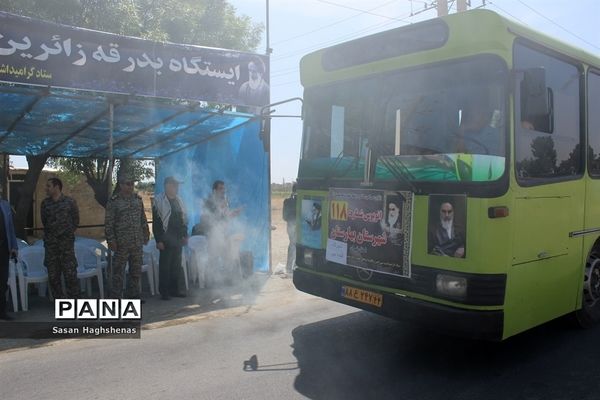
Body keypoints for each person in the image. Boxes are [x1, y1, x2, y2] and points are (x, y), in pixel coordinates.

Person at [105, 173, 150, 300]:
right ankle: (116, 298)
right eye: (128, 184)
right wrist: (111, 241)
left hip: (136, 242)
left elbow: (143, 219)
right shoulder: (114, 201)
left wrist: (146, 234)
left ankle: (133, 296)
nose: (131, 187)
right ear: (121, 185)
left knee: (135, 272)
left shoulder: (137, 200)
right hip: (121, 244)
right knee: (118, 273)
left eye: (132, 184)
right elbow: (109, 223)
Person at [41, 177, 80, 299]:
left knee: (70, 275)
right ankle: (60, 302)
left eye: (48, 186)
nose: (46, 189)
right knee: (53, 276)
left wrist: (66, 234)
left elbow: (76, 220)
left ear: (57, 187)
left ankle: (74, 301)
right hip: (51, 246)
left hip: (66, 246)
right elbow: (44, 221)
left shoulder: (70, 202)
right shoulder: (45, 204)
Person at [153, 176, 188, 300]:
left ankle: (175, 290)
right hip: (166, 239)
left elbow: (184, 219)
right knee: (165, 267)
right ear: (167, 186)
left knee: (176, 266)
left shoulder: (179, 200)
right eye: (174, 185)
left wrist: (185, 235)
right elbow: (156, 223)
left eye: (177, 185)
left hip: (178, 238)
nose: (177, 188)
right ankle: (165, 292)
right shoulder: (158, 201)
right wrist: (159, 240)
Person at [203, 180, 243, 286]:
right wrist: (220, 207)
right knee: (213, 257)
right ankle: (211, 281)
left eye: (223, 188)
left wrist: (234, 213)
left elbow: (225, 216)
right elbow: (208, 218)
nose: (223, 191)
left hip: (223, 232)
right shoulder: (209, 201)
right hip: (212, 233)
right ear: (214, 190)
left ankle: (225, 280)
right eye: (220, 188)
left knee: (226, 256)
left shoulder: (224, 200)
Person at [0, 195, 18, 320]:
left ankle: (2, 311)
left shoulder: (5, 205)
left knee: (2, 281)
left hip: (4, 249)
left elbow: (10, 227)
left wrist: (14, 246)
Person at [282, 184, 297, 275]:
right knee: (296, 245)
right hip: (297, 226)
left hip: (290, 225)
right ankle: (294, 267)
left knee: (292, 245)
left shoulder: (287, 201)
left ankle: (289, 267)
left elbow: (284, 217)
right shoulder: (301, 201)